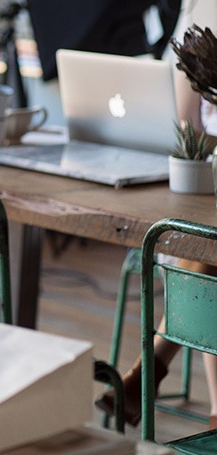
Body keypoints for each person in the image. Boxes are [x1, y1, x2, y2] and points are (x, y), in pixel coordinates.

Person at [95, 67, 217, 429]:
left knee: (204, 252)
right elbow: (189, 137)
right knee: (202, 247)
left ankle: (147, 371)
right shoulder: (201, 53)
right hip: (203, 200)